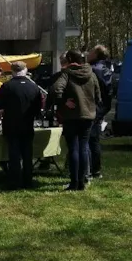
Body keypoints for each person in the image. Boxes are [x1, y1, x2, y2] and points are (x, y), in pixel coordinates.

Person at [50, 50, 101, 191]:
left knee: (74, 148)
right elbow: (98, 96)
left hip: (71, 116)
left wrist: (63, 101)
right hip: (88, 115)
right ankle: (83, 181)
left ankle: (74, 182)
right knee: (84, 147)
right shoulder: (91, 73)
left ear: (70, 59)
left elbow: (55, 89)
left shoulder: (67, 73)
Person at [0, 62, 42, 190]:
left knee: (14, 155)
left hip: (11, 125)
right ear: (25, 70)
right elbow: (38, 107)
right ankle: (28, 181)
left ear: (12, 71)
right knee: (27, 154)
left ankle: (15, 182)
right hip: (28, 125)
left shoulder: (7, 86)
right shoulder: (34, 87)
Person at [87, 44, 114, 180]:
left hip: (94, 108)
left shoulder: (93, 70)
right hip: (102, 107)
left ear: (96, 54)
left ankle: (89, 170)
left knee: (89, 140)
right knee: (95, 140)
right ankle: (96, 170)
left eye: (91, 51)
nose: (88, 54)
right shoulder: (106, 68)